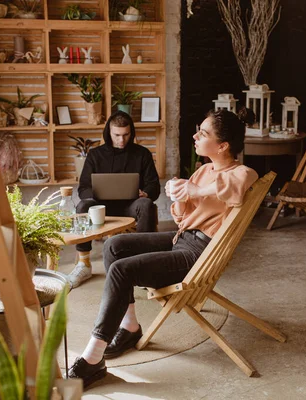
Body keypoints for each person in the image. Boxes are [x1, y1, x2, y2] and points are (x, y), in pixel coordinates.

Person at [68, 109, 258, 389]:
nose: (195, 136)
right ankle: (130, 327)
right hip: (182, 238)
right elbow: (183, 218)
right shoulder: (205, 169)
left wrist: (194, 192)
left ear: (223, 146)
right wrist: (180, 197)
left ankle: (93, 358)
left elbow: (239, 183)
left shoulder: (242, 172)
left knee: (122, 271)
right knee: (114, 245)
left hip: (198, 254)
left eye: (203, 133)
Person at [68, 111, 160, 288]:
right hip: (101, 207)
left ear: (131, 133)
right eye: (116, 135)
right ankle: (84, 264)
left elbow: (154, 185)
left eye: (126, 135)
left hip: (131, 205)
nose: (121, 140)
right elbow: (83, 188)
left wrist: (146, 193)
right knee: (83, 205)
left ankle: (144, 264)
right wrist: (94, 195)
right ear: (108, 132)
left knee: (146, 204)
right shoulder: (95, 155)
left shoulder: (142, 154)